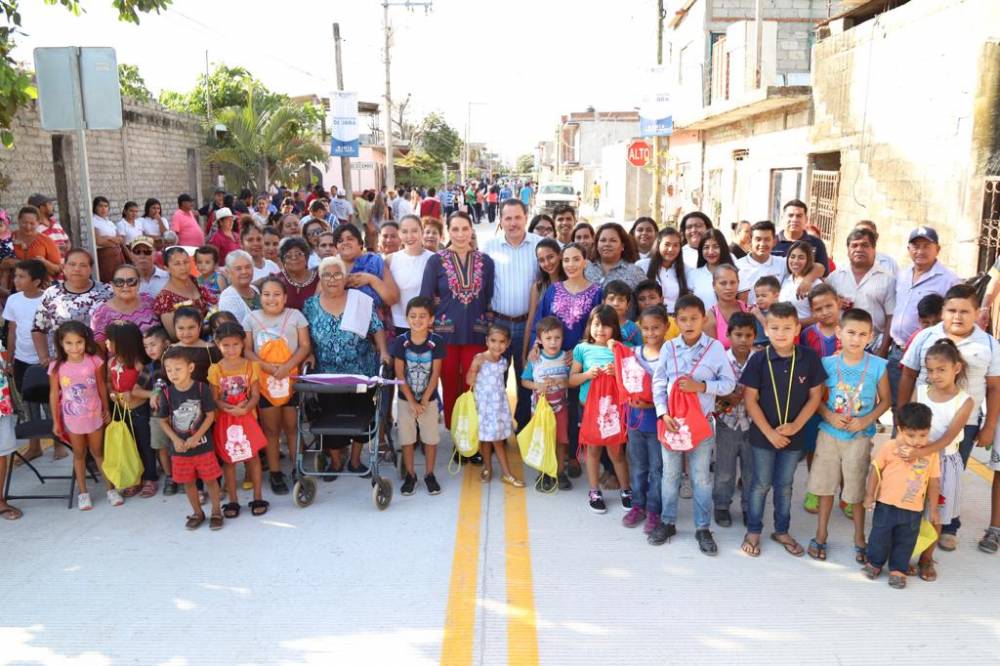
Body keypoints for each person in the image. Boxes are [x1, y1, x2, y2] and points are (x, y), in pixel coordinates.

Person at [899, 283, 1000, 550]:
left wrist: (989, 426)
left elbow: (994, 386)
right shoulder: (925, 337)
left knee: (951, 475)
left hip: (964, 425)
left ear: (977, 312)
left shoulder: (988, 343)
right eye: (952, 310)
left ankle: (948, 524)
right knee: (915, 470)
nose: (958, 316)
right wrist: (901, 417)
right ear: (943, 311)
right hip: (921, 423)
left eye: (965, 311)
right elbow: (908, 374)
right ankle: (911, 517)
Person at [650, 294, 737, 554]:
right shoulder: (668, 348)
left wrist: (701, 386)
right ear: (675, 321)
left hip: (701, 426)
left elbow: (729, 384)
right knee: (670, 476)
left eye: (694, 319)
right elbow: (658, 383)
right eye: (683, 319)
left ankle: (702, 527)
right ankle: (668, 522)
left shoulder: (715, 349)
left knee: (701, 478)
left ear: (704, 319)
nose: (688, 324)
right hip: (672, 423)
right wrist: (663, 413)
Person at [740, 302, 827, 558]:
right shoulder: (758, 359)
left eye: (787, 328)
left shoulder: (809, 357)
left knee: (786, 485)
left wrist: (797, 426)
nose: (780, 333)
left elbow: (815, 396)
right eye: (774, 327)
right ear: (766, 330)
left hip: (795, 436)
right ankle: (753, 530)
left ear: (797, 328)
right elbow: (750, 400)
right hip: (763, 436)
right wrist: (770, 433)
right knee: (760, 484)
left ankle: (781, 530)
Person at [806, 308, 891, 563]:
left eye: (862, 334)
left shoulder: (878, 365)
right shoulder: (827, 364)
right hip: (829, 435)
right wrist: (829, 415)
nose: (856, 339)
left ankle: (859, 538)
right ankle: (821, 534)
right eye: (851, 332)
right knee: (824, 488)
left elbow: (886, 401)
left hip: (859, 437)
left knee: (855, 489)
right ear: (840, 332)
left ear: (871, 336)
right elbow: (816, 400)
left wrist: (866, 420)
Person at [304, 255, 389, 474]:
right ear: (320, 279)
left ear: (345, 277)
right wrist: (309, 354)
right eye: (327, 275)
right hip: (327, 373)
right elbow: (304, 336)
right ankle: (335, 461)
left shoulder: (358, 299)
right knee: (330, 415)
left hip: (361, 369)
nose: (332, 279)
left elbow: (376, 326)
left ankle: (355, 460)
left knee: (362, 412)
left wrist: (384, 350)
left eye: (337, 274)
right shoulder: (311, 305)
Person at [529, 243, 602, 478]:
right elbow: (541, 322)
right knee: (557, 408)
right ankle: (554, 457)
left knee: (577, 410)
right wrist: (535, 345)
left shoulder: (596, 291)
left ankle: (574, 455)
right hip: (553, 358)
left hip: (581, 359)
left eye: (576, 259)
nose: (570, 265)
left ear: (585, 262)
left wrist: (580, 349)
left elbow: (596, 327)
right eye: (567, 260)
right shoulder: (554, 289)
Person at [904, 339, 973, 580]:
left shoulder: (964, 401)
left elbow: (948, 438)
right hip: (914, 460)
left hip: (943, 463)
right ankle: (904, 555)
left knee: (936, 514)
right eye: (930, 370)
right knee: (908, 508)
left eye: (941, 369)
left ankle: (926, 558)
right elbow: (908, 424)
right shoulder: (921, 391)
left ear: (956, 368)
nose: (934, 375)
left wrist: (920, 453)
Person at [419, 211, 494, 428]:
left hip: (476, 333)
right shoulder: (435, 261)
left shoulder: (486, 262)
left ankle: (470, 434)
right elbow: (425, 298)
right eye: (455, 229)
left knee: (472, 385)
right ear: (448, 232)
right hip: (445, 335)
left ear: (472, 230)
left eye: (465, 229)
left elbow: (488, 298)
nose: (460, 234)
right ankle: (456, 436)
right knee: (450, 385)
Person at [242, 277, 311, 495]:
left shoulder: (295, 316)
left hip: (290, 380)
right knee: (271, 430)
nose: (272, 299)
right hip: (263, 382)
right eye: (266, 294)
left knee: (292, 428)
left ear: (285, 297)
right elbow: (247, 350)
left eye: (277, 294)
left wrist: (288, 366)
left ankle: (296, 469)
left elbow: (304, 346)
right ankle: (274, 472)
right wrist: (268, 368)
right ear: (260, 297)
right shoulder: (251, 318)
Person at [862, 402, 940, 589]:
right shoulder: (889, 447)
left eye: (923, 435)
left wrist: (935, 509)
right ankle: (874, 562)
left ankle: (898, 569)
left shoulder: (930, 453)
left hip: (913, 509)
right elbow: (875, 470)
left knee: (906, 541)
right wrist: (869, 494)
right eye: (910, 435)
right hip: (886, 504)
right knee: (880, 535)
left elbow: (934, 482)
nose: (917, 441)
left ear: (929, 430)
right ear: (899, 430)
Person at [482, 199, 541, 432]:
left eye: (517, 217)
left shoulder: (540, 246)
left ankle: (524, 426)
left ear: (526, 217)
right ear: (501, 221)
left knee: (526, 378)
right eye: (508, 218)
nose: (513, 223)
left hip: (528, 324)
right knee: (496, 378)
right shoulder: (490, 247)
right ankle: (497, 428)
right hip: (498, 325)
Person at [888, 226, 961, 407]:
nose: (920, 251)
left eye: (926, 246)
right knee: (900, 407)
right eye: (916, 246)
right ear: (908, 250)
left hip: (931, 356)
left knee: (926, 408)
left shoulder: (949, 280)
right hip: (898, 352)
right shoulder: (902, 275)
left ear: (937, 249)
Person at [569, 305, 632, 513]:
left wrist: (618, 371)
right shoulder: (582, 348)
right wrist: (588, 375)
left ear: (614, 328)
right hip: (589, 409)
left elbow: (632, 379)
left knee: (617, 452)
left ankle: (626, 489)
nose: (600, 330)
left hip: (613, 410)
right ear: (590, 325)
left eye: (606, 325)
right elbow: (571, 380)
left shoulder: (620, 349)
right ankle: (594, 490)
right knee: (592, 450)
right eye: (596, 324)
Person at [156, 346, 223, 530]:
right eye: (169, 370)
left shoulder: (201, 389)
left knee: (210, 480)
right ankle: (197, 512)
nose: (173, 374)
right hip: (180, 450)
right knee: (188, 482)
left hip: (203, 446)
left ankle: (216, 511)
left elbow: (210, 415)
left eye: (178, 369)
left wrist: (197, 437)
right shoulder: (167, 393)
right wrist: (175, 440)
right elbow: (162, 421)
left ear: (190, 368)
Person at [48, 321, 113, 510]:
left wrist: (106, 408)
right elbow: (53, 394)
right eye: (69, 343)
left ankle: (110, 488)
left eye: (79, 342)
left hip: (94, 416)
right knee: (79, 454)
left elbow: (101, 385)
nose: (75, 347)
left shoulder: (94, 361)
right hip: (72, 419)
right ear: (61, 343)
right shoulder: (56, 367)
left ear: (85, 342)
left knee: (99, 452)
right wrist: (55, 421)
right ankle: (83, 492)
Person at [617, 305, 668, 534]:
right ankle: (638, 505)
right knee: (638, 466)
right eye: (646, 329)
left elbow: (672, 391)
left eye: (656, 328)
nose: (651, 333)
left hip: (657, 423)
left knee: (657, 469)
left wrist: (653, 404)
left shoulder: (669, 356)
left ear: (666, 327)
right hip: (635, 421)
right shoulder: (634, 354)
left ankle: (655, 509)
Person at [209, 322, 268, 519]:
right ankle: (233, 499)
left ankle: (258, 496)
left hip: (247, 419)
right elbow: (215, 398)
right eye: (226, 345)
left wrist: (245, 409)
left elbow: (255, 395)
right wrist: (229, 409)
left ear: (243, 344)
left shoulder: (252, 366)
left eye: (235, 344)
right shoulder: (215, 369)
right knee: (229, 460)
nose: (231, 349)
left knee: (253, 457)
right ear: (218, 344)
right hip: (226, 421)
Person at [391, 296, 445, 496]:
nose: (418, 320)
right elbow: (399, 374)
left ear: (431, 319)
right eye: (413, 316)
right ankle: (410, 475)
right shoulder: (400, 342)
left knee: (430, 438)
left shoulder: (436, 342)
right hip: (406, 400)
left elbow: (435, 374)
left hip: (428, 400)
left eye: (423, 316)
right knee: (407, 439)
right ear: (406, 318)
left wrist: (424, 400)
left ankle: (429, 474)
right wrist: (412, 401)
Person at [712, 311, 756, 528]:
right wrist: (726, 396)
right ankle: (721, 506)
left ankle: (749, 507)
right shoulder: (719, 361)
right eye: (738, 334)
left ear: (754, 337)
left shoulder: (759, 360)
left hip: (753, 425)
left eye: (748, 335)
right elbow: (710, 389)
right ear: (728, 335)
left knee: (750, 470)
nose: (743, 340)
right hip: (726, 424)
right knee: (724, 470)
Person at [104, 322, 158, 498]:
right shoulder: (111, 362)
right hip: (121, 412)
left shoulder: (137, 364)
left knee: (145, 445)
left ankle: (150, 477)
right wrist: (112, 393)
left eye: (110, 340)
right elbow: (109, 382)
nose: (106, 343)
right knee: (129, 445)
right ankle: (135, 477)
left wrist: (132, 395)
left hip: (140, 411)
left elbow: (145, 390)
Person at [466, 324, 525, 487]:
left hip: (497, 408)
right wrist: (473, 369)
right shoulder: (480, 359)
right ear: (487, 341)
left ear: (507, 344)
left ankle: (495, 470)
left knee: (494, 440)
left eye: (501, 342)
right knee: (489, 440)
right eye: (493, 341)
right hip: (484, 408)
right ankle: (498, 470)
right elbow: (469, 381)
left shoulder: (503, 362)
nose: (497, 345)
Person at [825, 228, 896, 358]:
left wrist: (883, 350)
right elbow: (823, 308)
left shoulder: (888, 279)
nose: (859, 249)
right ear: (848, 250)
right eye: (854, 245)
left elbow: (891, 318)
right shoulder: (834, 277)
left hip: (872, 347)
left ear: (874, 249)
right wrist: (835, 303)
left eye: (864, 245)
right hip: (838, 346)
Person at [32, 248, 112, 364]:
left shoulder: (107, 291)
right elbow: (38, 328)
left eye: (83, 265)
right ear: (64, 268)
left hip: (100, 363)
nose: (77, 269)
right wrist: (44, 358)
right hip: (63, 364)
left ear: (91, 269)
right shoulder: (52, 293)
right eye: (72, 264)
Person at [521, 316, 572, 491]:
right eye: (548, 338)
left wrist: (561, 382)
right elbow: (524, 381)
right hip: (540, 410)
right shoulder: (535, 359)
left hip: (560, 409)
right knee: (542, 440)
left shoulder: (566, 358)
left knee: (560, 440)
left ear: (562, 339)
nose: (553, 342)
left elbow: (571, 380)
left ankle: (559, 472)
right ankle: (544, 473)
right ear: (540, 340)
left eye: (557, 338)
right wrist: (538, 385)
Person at [4, 260, 47, 462]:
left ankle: (59, 444)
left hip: (45, 359)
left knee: (50, 402)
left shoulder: (48, 299)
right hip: (22, 359)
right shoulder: (13, 300)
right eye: (15, 276)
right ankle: (34, 445)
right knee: (29, 403)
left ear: (37, 281)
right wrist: (10, 359)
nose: (16, 280)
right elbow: (12, 330)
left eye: (21, 276)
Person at [153, 246, 217, 339]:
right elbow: (175, 336)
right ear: (166, 268)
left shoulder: (194, 280)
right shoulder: (165, 298)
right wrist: (210, 327)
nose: (183, 267)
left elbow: (213, 302)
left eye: (186, 262)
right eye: (177, 264)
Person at [387, 216, 435, 334]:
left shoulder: (434, 259)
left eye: (414, 231)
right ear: (399, 233)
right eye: (404, 231)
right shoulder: (390, 260)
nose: (409, 236)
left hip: (427, 324)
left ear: (422, 231)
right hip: (398, 324)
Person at [334, 224, 399, 309]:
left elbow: (392, 299)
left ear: (360, 244)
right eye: (340, 241)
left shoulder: (374, 261)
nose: (345, 243)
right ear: (336, 247)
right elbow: (319, 300)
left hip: (371, 319)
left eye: (350, 239)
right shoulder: (332, 267)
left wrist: (371, 279)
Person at [90, 265, 160, 343]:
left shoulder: (149, 301)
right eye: (119, 282)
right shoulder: (101, 314)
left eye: (131, 281)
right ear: (112, 285)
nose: (125, 286)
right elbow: (99, 349)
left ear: (139, 283)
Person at [735, 221, 789, 305]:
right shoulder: (738, 265)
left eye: (767, 239)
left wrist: (808, 279)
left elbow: (812, 267)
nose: (762, 244)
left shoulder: (783, 263)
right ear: (750, 241)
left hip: (775, 316)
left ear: (774, 242)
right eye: (758, 239)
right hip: (748, 316)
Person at [772, 200, 830, 278]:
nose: (794, 219)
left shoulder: (816, 243)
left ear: (806, 219)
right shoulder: (772, 242)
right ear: (782, 217)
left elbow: (823, 271)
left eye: (799, 216)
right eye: (790, 215)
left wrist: (807, 280)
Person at [638, 227, 690, 312]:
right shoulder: (642, 265)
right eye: (667, 244)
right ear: (658, 245)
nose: (671, 249)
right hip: (650, 317)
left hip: (677, 319)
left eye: (676, 245)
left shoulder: (686, 269)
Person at [585, 223, 645, 290]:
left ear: (622, 246)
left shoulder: (634, 272)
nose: (607, 244)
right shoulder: (586, 269)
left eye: (613, 241)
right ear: (597, 245)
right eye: (603, 240)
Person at [171, 306, 221, 383]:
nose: (186, 333)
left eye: (191, 327)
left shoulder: (210, 350)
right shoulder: (170, 350)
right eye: (181, 328)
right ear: (174, 328)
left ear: (199, 327)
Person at [704, 264, 748, 350]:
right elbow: (711, 352)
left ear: (738, 283)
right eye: (723, 283)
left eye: (732, 282)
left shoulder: (750, 310)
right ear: (714, 285)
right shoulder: (710, 317)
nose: (729, 287)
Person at [689, 229, 733, 308]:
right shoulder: (694, 275)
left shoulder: (734, 273)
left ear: (723, 248)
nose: (711, 252)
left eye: (715, 247)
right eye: (706, 247)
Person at [12, 205, 61, 276]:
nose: (28, 227)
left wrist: (44, 263)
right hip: (10, 285)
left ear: (38, 222)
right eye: (25, 223)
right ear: (19, 221)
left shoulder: (46, 241)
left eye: (32, 223)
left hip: (39, 284)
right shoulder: (8, 239)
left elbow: (58, 269)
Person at [779, 240, 820, 324]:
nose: (795, 261)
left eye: (801, 258)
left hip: (805, 334)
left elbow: (818, 317)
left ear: (808, 260)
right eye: (792, 256)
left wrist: (793, 324)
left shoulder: (816, 284)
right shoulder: (786, 280)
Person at [92, 196, 129, 282]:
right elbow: (99, 241)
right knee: (109, 281)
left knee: (120, 279)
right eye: (100, 206)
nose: (103, 209)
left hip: (117, 256)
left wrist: (107, 238)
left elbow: (120, 239)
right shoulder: (93, 221)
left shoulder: (109, 222)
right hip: (105, 257)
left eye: (106, 206)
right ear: (95, 207)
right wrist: (114, 240)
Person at [218, 250, 260, 324]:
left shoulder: (255, 289)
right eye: (238, 269)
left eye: (248, 267)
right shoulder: (228, 298)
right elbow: (233, 330)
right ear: (229, 272)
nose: (244, 272)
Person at [604, 280, 641, 347]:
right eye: (611, 299)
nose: (616, 303)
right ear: (603, 302)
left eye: (621, 300)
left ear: (628, 305)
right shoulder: (598, 325)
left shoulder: (633, 328)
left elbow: (640, 350)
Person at [750, 276, 781, 349]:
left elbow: (773, 332)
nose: (759, 299)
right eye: (757, 296)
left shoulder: (779, 311)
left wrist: (759, 316)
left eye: (763, 296)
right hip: (754, 345)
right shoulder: (756, 310)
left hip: (771, 345)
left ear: (776, 296)